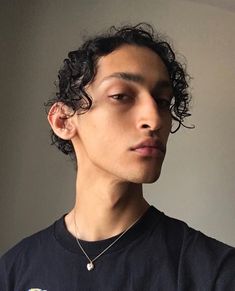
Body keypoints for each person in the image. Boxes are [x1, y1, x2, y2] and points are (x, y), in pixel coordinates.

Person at [0, 23, 234, 291]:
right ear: (63, 120)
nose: (154, 119)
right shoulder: (14, 271)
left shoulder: (216, 272)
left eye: (162, 101)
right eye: (121, 96)